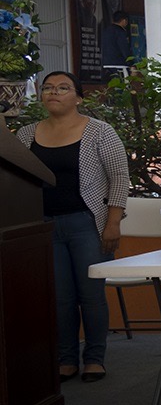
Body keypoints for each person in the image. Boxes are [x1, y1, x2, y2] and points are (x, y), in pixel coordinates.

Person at [16, 71, 129, 382]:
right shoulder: (26, 134)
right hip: (44, 227)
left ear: (78, 97)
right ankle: (66, 358)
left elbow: (119, 178)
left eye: (63, 88)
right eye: (48, 88)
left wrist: (113, 222)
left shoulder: (99, 132)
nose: (54, 92)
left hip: (87, 223)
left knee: (91, 295)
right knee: (60, 297)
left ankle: (94, 358)